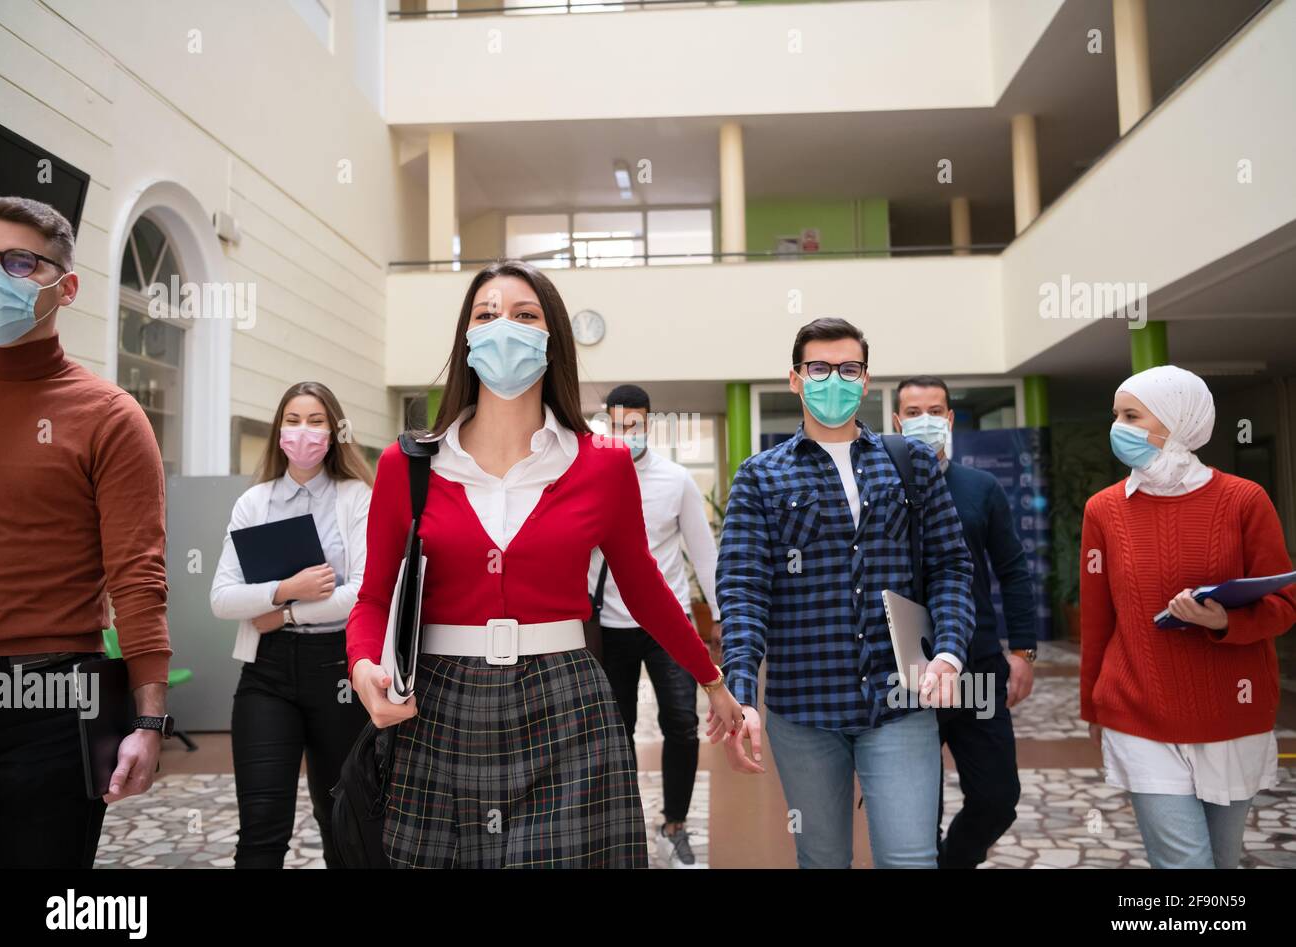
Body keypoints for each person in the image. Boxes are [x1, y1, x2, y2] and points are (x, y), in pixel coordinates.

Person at [345, 259, 744, 868]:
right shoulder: (409, 466)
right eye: (487, 314)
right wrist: (365, 665)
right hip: (438, 702)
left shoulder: (602, 464)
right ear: (467, 338)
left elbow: (645, 590)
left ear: (551, 337)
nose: (505, 325)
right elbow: (374, 599)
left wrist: (711, 680)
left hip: (564, 701)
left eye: (525, 314)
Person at [717, 316, 975, 868]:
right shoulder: (760, 476)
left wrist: (950, 653)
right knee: (822, 857)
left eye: (848, 369)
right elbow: (742, 589)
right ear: (795, 378)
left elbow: (951, 565)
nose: (833, 380)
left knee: (911, 859)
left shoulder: (910, 465)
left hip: (900, 701)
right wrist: (742, 692)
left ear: (865, 380)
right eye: (819, 368)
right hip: (804, 707)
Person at [0, 196, 171, 868]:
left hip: (55, 704)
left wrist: (150, 720)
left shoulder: (108, 417)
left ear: (65, 287)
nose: (1, 276)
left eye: (19, 262)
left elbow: (139, 577)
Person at [1081, 365, 1296, 868]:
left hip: (1233, 715)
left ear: (1176, 422)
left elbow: (1283, 605)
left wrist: (1222, 623)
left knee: (1220, 864)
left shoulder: (1245, 500)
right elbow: (1096, 619)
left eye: (1131, 416)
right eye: (1116, 415)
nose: (1118, 427)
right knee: (1186, 868)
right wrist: (1094, 707)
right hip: (1137, 713)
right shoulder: (1103, 510)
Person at [210, 382, 374, 868]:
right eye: (294, 420)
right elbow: (221, 597)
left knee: (343, 819)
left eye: (317, 420)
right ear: (278, 430)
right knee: (261, 828)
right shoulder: (254, 503)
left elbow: (361, 592)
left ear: (336, 430)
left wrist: (283, 610)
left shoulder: (355, 497)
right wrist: (288, 588)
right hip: (267, 673)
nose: (304, 432)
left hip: (340, 670)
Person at [893, 375, 1036, 868]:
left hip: (975, 666)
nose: (924, 420)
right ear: (896, 421)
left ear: (950, 419)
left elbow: (1014, 570)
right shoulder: (881, 489)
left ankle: (954, 863)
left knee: (998, 797)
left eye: (935, 410)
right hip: (906, 674)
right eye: (913, 412)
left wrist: (1023, 651)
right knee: (914, 809)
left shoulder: (981, 487)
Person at [590, 384, 723, 868]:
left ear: (650, 425)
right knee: (614, 731)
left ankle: (675, 825)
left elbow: (704, 556)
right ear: (606, 423)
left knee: (683, 726)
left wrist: (722, 616)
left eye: (636, 424)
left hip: (668, 625)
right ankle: (621, 825)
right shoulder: (593, 476)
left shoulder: (676, 480)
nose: (627, 433)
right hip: (609, 624)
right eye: (618, 424)